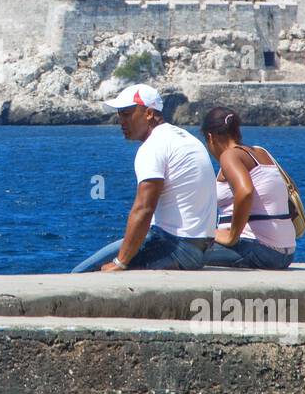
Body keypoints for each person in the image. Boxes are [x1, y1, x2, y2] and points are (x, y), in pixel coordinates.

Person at [71, 84, 216, 272]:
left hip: (176, 248)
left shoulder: (152, 147)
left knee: (80, 274)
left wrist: (120, 262)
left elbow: (144, 209)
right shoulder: (186, 138)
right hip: (203, 250)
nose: (121, 121)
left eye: (126, 114)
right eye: (119, 114)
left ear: (148, 113)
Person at [198, 106, 296, 270]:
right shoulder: (262, 152)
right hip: (286, 253)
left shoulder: (229, 156)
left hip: (260, 250)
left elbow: (245, 192)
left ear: (210, 137)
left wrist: (231, 236)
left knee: (186, 251)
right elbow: (291, 193)